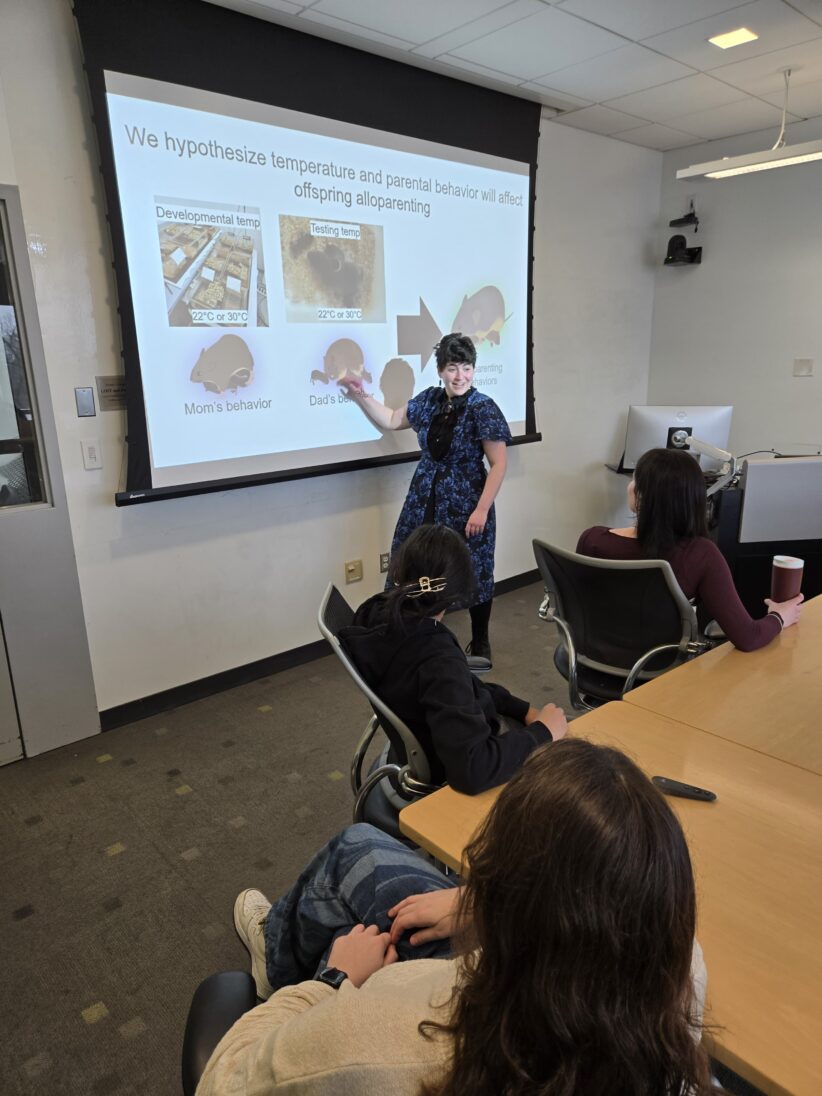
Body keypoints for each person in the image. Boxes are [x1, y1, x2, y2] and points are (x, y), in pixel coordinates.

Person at [197, 738, 713, 1095]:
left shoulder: (366, 1042)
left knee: (344, 907)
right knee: (362, 852)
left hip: (409, 1009)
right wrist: (474, 903)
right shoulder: (679, 973)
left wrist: (332, 981)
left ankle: (278, 966)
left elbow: (222, 1081)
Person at [341, 523, 567, 794]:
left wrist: (520, 709)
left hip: (421, 740)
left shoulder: (375, 612)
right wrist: (543, 732)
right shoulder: (437, 660)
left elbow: (461, 685)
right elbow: (473, 769)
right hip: (451, 768)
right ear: (456, 592)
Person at [341, 332, 510, 663]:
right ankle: (408, 636)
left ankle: (481, 642)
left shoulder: (483, 408)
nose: (459, 376)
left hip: (467, 502)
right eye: (451, 368)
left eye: (466, 368)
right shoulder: (429, 400)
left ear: (474, 369)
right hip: (424, 497)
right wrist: (359, 393)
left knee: (474, 569)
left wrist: (482, 509)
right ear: (440, 370)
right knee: (411, 563)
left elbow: (499, 463)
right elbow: (391, 419)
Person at [577, 447, 803, 652]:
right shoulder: (701, 555)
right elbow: (748, 638)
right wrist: (779, 617)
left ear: (640, 496)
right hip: (658, 671)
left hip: (590, 660)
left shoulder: (593, 540)